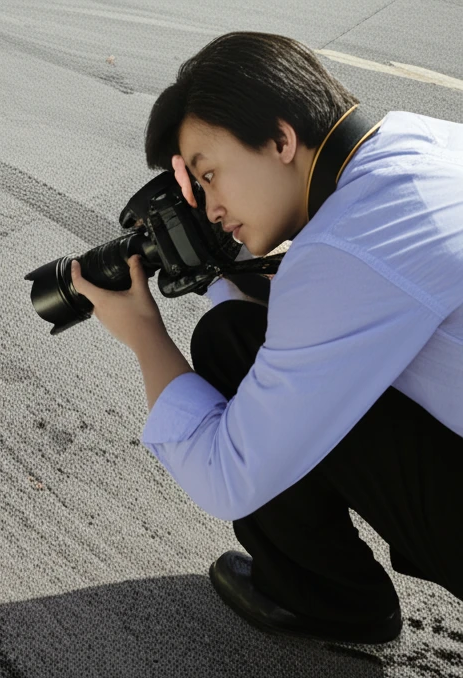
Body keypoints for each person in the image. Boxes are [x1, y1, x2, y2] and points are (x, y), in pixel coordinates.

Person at [70, 31, 463, 645]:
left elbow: (229, 474)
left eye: (209, 176)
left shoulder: (344, 250)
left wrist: (145, 333)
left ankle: (328, 597)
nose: (211, 207)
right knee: (241, 329)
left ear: (281, 139)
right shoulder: (422, 141)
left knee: (231, 342)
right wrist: (219, 271)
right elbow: (341, 307)